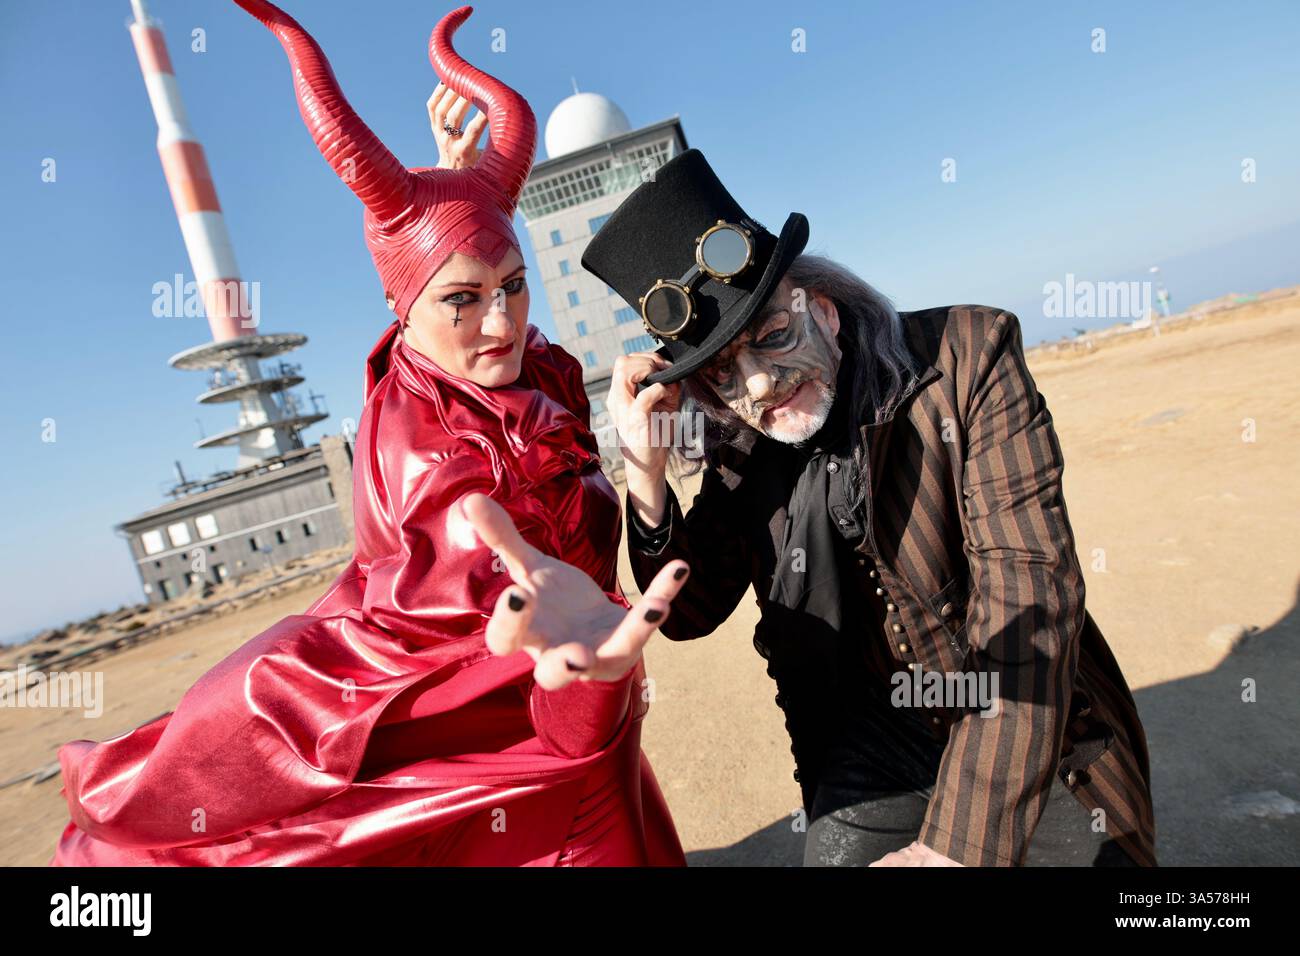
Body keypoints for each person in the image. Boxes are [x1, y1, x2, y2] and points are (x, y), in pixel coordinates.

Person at [48, 1, 689, 867]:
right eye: (462, 300)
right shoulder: (411, 429)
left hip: (584, 711)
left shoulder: (538, 372)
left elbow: (448, 277)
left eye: (513, 284)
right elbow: (462, 513)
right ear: (405, 309)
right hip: (488, 732)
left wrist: (453, 196)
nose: (499, 322)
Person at [576, 148, 1156, 866]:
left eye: (775, 337)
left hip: (1030, 732)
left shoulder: (966, 360)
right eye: (723, 374)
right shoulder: (742, 449)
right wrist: (646, 468)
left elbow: (1030, 597)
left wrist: (954, 851)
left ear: (823, 309)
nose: (758, 388)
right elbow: (690, 614)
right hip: (874, 746)